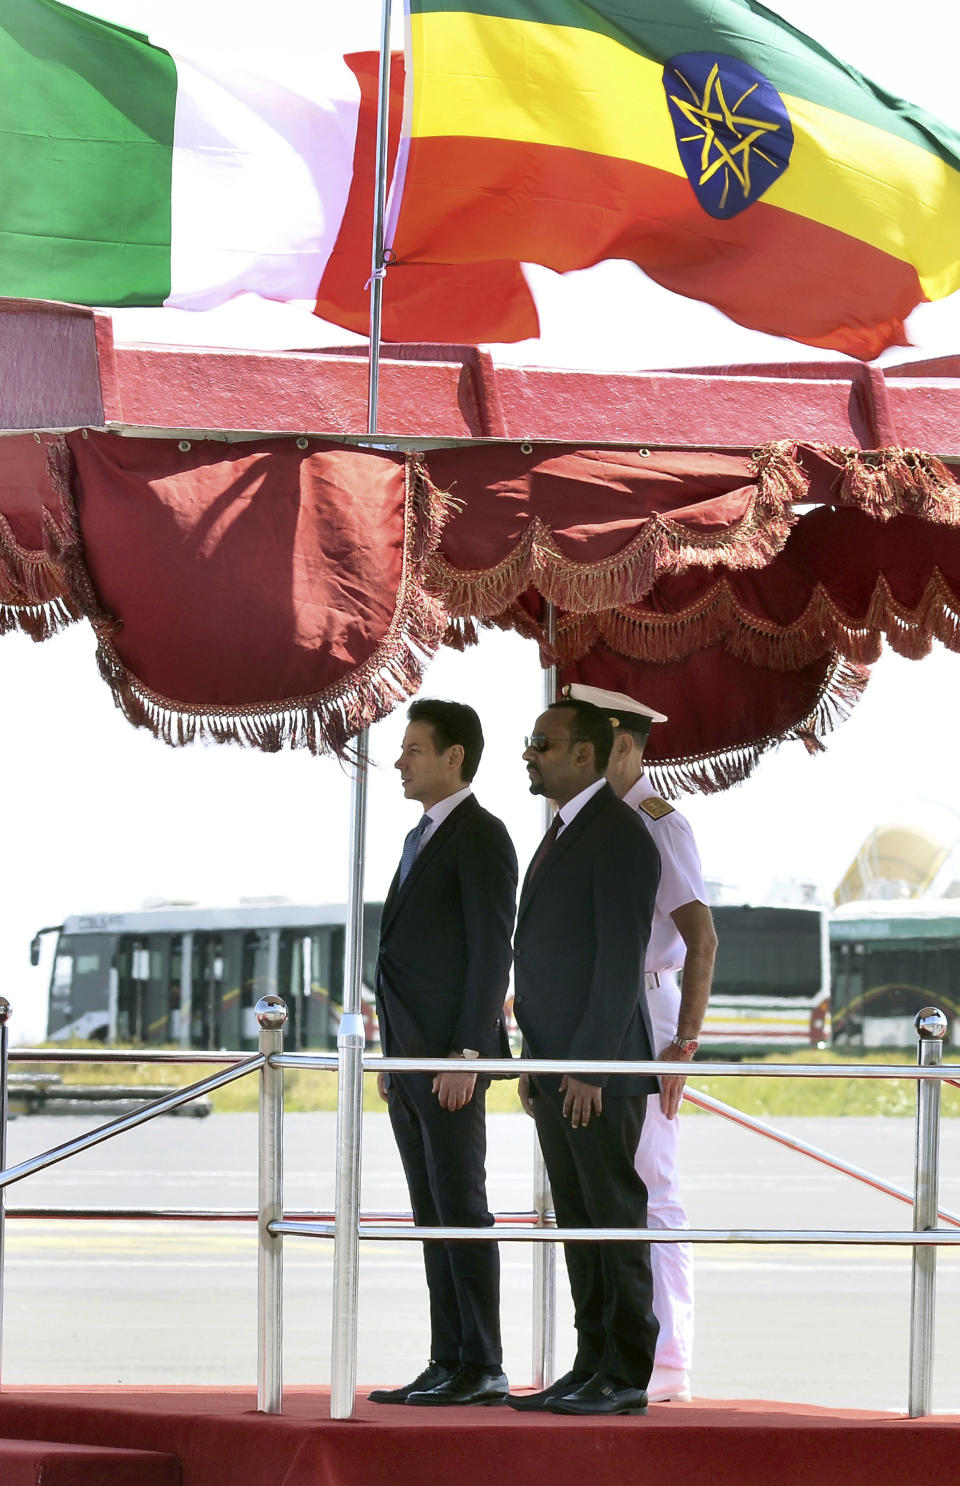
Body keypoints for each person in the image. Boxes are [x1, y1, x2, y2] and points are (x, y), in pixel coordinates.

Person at [508, 696, 662, 1416]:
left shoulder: (622, 834)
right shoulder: (566, 830)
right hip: (556, 1068)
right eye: (530, 742)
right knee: (577, 1221)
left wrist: (590, 1067)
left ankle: (625, 1371)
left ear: (585, 754)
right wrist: (537, 1064)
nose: (530, 753)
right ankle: (590, 1358)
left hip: (597, 1073)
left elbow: (617, 963)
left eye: (543, 742)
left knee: (611, 1220)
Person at [570, 682, 717, 1405]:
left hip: (650, 1012)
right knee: (604, 1188)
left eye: (594, 748)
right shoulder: (593, 822)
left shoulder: (658, 823)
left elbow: (702, 936)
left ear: (625, 746)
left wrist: (684, 1044)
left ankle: (669, 1357)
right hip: (601, 1012)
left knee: (653, 1188)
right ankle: (613, 1348)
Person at [368, 699, 518, 1408]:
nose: (399, 761)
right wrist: (392, 1055)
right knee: (431, 1211)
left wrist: (467, 1051)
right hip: (408, 1061)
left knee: (462, 1207)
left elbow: (492, 953)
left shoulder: (481, 835)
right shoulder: (417, 837)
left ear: (454, 756)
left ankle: (483, 1364)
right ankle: (447, 1358)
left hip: (451, 1061)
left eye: (414, 750)